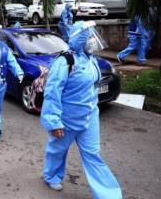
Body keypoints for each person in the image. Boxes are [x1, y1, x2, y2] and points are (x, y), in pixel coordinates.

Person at [40, 21, 122, 198]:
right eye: (89, 36)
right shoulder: (65, 62)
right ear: (80, 39)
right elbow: (52, 93)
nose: (92, 40)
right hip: (67, 119)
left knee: (93, 155)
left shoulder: (90, 59)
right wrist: (54, 122)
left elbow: (92, 88)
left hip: (89, 117)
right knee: (57, 150)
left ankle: (109, 194)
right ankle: (51, 176)